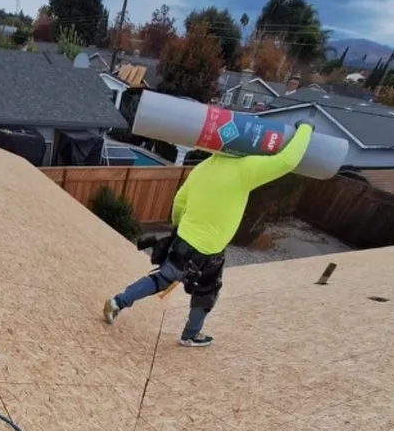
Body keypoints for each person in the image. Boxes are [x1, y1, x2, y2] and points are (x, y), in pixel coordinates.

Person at [103, 122, 313, 345]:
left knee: (161, 278)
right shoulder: (246, 168)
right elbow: (287, 161)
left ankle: (119, 301)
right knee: (205, 294)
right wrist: (305, 129)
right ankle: (190, 335)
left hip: (183, 241)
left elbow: (179, 201)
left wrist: (179, 228)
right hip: (209, 251)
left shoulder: (203, 167)